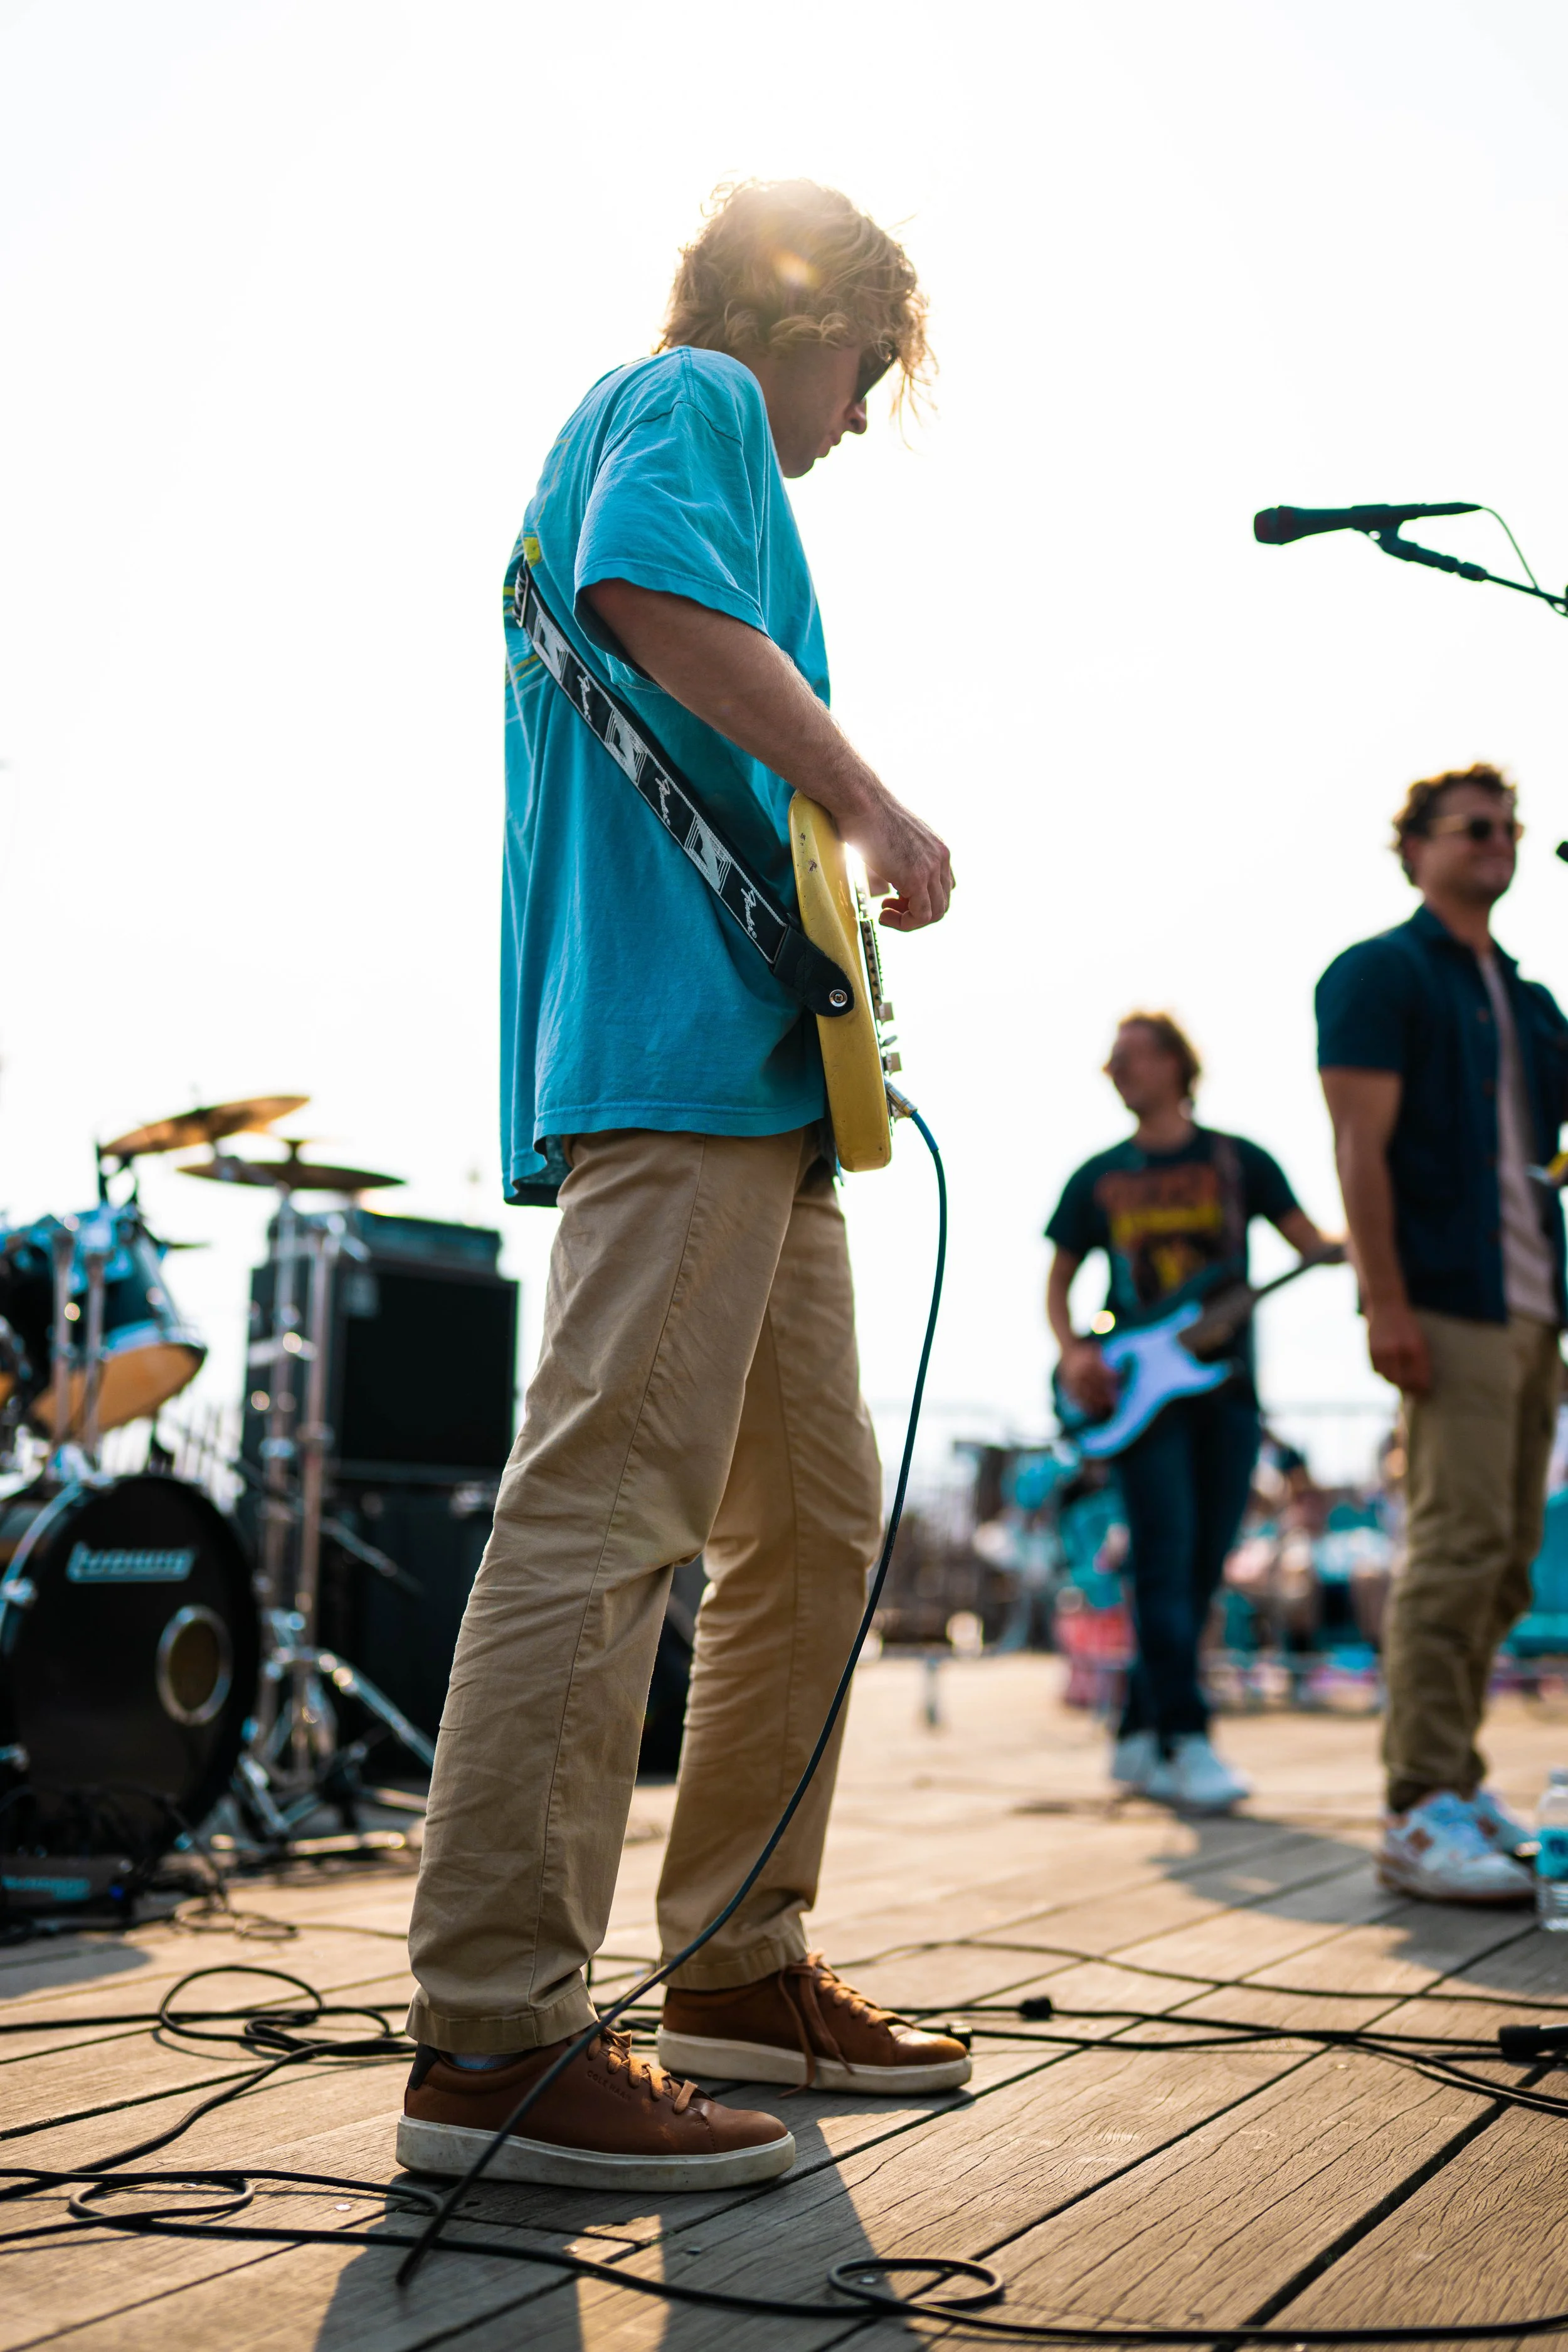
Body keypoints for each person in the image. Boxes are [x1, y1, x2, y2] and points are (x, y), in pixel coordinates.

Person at [398, 180, 969, 2195]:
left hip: (754, 1078)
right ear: (814, 319)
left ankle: (738, 1963)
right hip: (674, 1064)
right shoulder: (697, 396)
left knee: (809, 1523)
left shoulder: (670, 415)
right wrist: (868, 793)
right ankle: (493, 2033)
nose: (843, 424)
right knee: (609, 1502)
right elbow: (647, 593)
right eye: (862, 377)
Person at [1317, 763, 1568, 1904]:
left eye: (1511, 828)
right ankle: (1418, 1804)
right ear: (1414, 847)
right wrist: (1385, 1300)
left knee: (1508, 1559)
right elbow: (1359, 1150)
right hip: (1450, 1301)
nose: (1499, 842)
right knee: (1455, 1549)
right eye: (1474, 827)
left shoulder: (1528, 1000)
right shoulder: (1380, 973)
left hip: (1531, 1310)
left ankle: (1457, 1783)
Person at [1046, 1014, 1335, 1810]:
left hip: (1230, 1392)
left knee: (1201, 1566)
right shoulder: (1097, 1176)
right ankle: (1185, 1736)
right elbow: (1058, 1280)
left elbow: (1309, 1239)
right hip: (1143, 1402)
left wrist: (1368, 1241)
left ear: (1177, 1064)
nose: (1116, 1070)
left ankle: (1138, 1733)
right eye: (1111, 1061)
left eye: (1130, 1056)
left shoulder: (1239, 1162)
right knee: (1164, 1562)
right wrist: (1076, 1353)